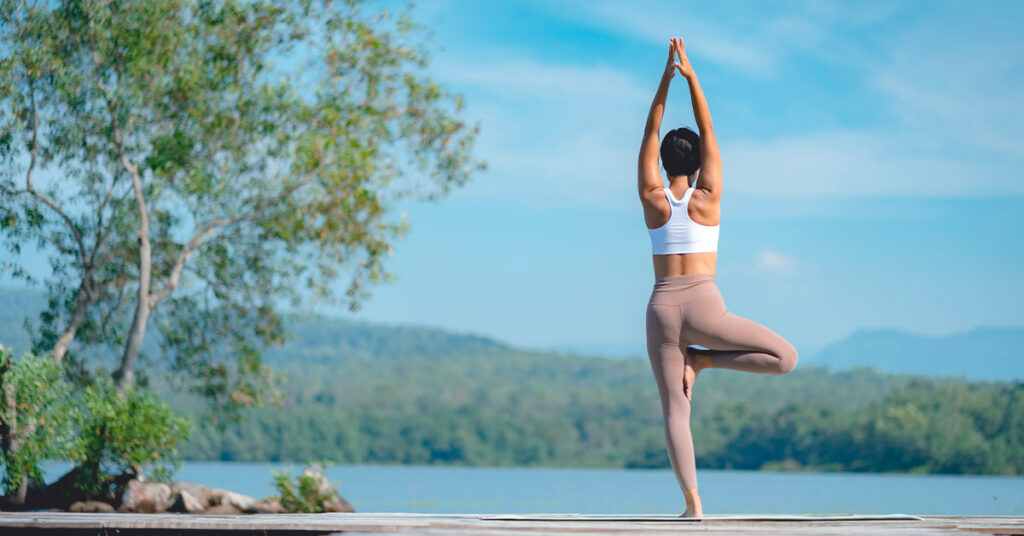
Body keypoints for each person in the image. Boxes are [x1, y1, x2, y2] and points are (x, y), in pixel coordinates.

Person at [638, 37, 799, 518]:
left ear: (665, 163)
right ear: (699, 161)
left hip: (663, 309)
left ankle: (693, 506)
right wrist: (692, 77)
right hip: (707, 307)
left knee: (674, 410)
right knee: (785, 358)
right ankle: (705, 363)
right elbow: (709, 129)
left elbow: (650, 130)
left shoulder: (652, 197)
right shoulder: (709, 195)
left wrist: (665, 80)